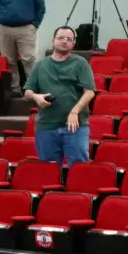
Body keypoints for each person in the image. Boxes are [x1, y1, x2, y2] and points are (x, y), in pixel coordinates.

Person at [24, 26, 96, 166]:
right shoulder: (41, 65)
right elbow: (27, 91)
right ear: (53, 40)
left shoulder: (80, 63)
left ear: (73, 44)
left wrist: (74, 112)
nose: (64, 41)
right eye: (61, 38)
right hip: (47, 125)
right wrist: (36, 97)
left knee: (78, 167)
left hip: (75, 126)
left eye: (69, 39)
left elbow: (90, 92)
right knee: (48, 168)